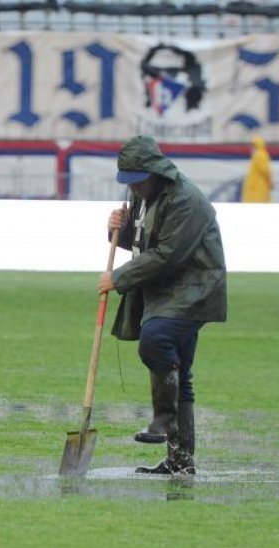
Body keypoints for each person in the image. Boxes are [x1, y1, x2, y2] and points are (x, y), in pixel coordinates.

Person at [99, 135, 227, 475]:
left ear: (154, 171)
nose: (134, 187)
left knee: (155, 339)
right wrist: (119, 230)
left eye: (138, 180)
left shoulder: (186, 199)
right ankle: (180, 462)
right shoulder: (142, 192)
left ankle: (163, 419)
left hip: (194, 287)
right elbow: (142, 241)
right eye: (129, 182)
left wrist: (119, 278)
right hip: (164, 289)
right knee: (180, 375)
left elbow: (170, 255)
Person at [240, 134, 272, 203]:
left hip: (258, 189)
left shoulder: (260, 155)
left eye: (253, 145)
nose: (251, 148)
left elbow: (265, 171)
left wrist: (270, 182)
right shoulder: (259, 155)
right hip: (256, 188)